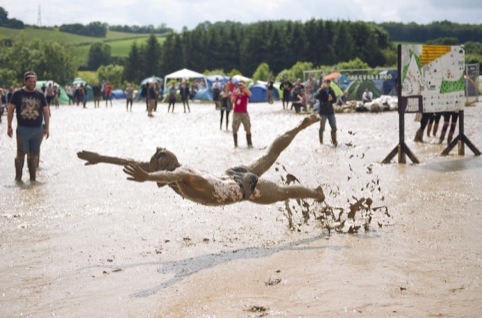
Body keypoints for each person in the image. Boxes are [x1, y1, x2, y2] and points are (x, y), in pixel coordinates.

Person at [77, 114, 325, 206]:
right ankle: (301, 126)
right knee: (271, 155)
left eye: (153, 164)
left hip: (243, 187)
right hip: (231, 175)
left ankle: (315, 193)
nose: (149, 165)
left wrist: (148, 178)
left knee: (282, 192)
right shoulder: (173, 169)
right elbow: (132, 162)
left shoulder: (181, 174)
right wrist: (100, 158)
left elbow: (168, 175)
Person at [7, 71, 50, 182]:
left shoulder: (40, 94)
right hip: (22, 129)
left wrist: (47, 128)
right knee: (21, 154)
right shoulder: (17, 94)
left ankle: (32, 180)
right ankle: (18, 179)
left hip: (37, 129)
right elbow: (10, 109)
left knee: (34, 155)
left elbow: (46, 111)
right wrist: (9, 126)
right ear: (25, 81)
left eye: (34, 81)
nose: (32, 83)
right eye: (30, 81)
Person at [315, 79, 338, 147]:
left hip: (330, 112)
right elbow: (317, 96)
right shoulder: (320, 90)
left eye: (329, 82)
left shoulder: (331, 90)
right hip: (323, 112)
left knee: (334, 128)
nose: (328, 84)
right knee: (322, 128)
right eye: (326, 82)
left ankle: (334, 142)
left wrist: (332, 99)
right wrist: (322, 89)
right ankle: (321, 143)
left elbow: (335, 100)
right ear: (324, 83)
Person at [231, 80, 253, 148]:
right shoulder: (235, 92)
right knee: (234, 128)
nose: (240, 86)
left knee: (248, 127)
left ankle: (249, 144)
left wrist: (245, 88)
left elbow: (250, 94)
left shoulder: (245, 92)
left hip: (244, 112)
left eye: (241, 85)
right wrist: (235, 95)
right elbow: (232, 101)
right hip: (236, 112)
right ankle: (235, 144)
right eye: (239, 85)